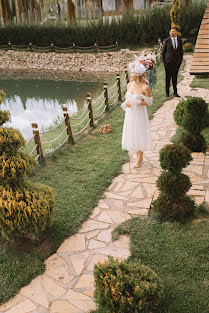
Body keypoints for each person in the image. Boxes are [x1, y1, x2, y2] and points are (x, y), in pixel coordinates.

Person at [121, 58, 153, 168]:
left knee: (139, 133)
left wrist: (138, 102)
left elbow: (149, 102)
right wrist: (128, 102)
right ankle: (137, 156)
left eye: (132, 73)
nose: (131, 74)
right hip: (130, 114)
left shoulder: (145, 87)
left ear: (138, 74)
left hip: (140, 114)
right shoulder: (129, 85)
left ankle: (139, 159)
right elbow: (127, 98)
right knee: (132, 133)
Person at [162, 27, 183, 97]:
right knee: (168, 78)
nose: (171, 33)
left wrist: (179, 62)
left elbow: (181, 52)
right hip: (168, 63)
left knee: (175, 78)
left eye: (173, 31)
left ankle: (175, 92)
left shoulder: (180, 40)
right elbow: (163, 53)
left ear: (177, 32)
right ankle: (167, 93)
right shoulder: (166, 41)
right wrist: (165, 63)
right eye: (171, 31)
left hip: (176, 63)